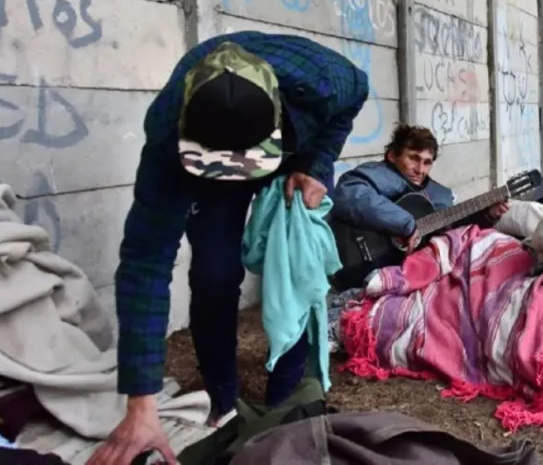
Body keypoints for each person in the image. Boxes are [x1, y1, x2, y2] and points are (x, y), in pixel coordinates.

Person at [87, 32, 369, 465]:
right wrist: (141, 403)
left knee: (292, 265)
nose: (236, 178)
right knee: (214, 274)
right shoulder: (167, 136)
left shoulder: (322, 81)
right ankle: (223, 400)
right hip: (203, 167)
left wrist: (315, 165)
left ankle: (284, 397)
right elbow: (146, 262)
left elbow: (357, 92)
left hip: (284, 158)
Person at [331, 124, 510, 253]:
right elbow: (349, 195)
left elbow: (450, 228)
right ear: (392, 155)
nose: (420, 169)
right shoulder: (377, 173)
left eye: (427, 162)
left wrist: (486, 214)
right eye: (413, 158)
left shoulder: (437, 194)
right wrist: (405, 224)